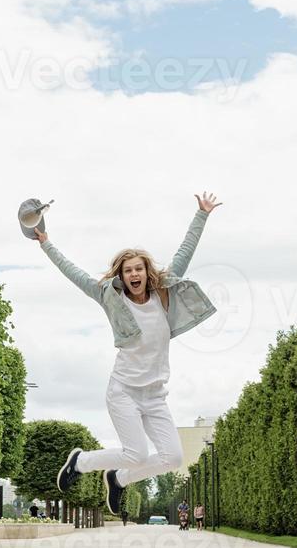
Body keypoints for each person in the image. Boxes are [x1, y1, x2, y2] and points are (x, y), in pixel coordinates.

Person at [34, 192, 223, 515]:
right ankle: (81, 462)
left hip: (155, 394)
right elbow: (74, 273)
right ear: (121, 277)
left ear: (146, 272)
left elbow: (184, 251)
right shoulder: (110, 298)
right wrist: (46, 243)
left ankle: (118, 479)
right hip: (123, 390)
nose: (133, 274)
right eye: (127, 271)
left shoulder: (163, 293)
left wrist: (201, 214)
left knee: (173, 458)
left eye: (138, 269)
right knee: (136, 452)